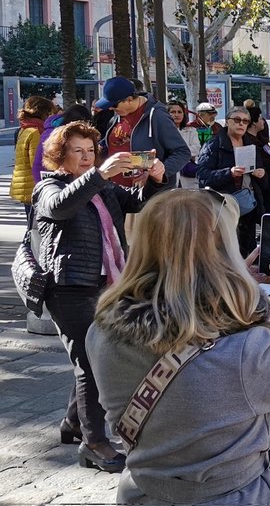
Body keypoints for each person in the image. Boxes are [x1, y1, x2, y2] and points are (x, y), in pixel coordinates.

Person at [87, 190, 270, 504]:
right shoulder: (244, 354)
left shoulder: (101, 333)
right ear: (222, 252)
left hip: (144, 492)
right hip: (236, 496)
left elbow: (187, 327)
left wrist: (233, 287)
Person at [33, 122, 167, 473]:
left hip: (105, 285)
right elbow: (61, 207)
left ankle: (75, 423)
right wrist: (98, 174)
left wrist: (154, 178)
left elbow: (138, 205)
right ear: (60, 155)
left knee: (92, 357)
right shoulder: (48, 187)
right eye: (78, 151)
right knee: (91, 363)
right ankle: (94, 443)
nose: (86, 157)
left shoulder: (103, 189)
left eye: (90, 151)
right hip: (67, 287)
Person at [197, 106, 270, 256]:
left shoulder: (251, 146)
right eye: (237, 120)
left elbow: (264, 183)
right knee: (224, 254)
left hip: (248, 209)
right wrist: (228, 173)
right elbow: (202, 176)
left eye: (245, 121)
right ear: (227, 122)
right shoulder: (213, 145)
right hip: (222, 209)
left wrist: (262, 175)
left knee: (247, 253)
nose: (241, 124)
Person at [94, 76, 191, 189]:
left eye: (114, 104)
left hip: (146, 195)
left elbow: (182, 152)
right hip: (115, 191)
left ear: (129, 99)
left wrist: (156, 173)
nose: (110, 108)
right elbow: (112, 144)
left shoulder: (157, 116)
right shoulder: (119, 114)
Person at [11, 96, 55, 220]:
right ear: (44, 113)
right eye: (50, 113)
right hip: (33, 186)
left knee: (32, 226)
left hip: (26, 185)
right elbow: (36, 162)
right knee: (35, 229)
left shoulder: (24, 129)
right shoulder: (35, 132)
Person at [167, 101, 202, 189]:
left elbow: (196, 149)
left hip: (187, 172)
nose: (176, 115)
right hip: (169, 172)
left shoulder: (191, 130)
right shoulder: (161, 132)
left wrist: (176, 152)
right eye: (173, 112)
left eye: (179, 112)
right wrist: (184, 152)